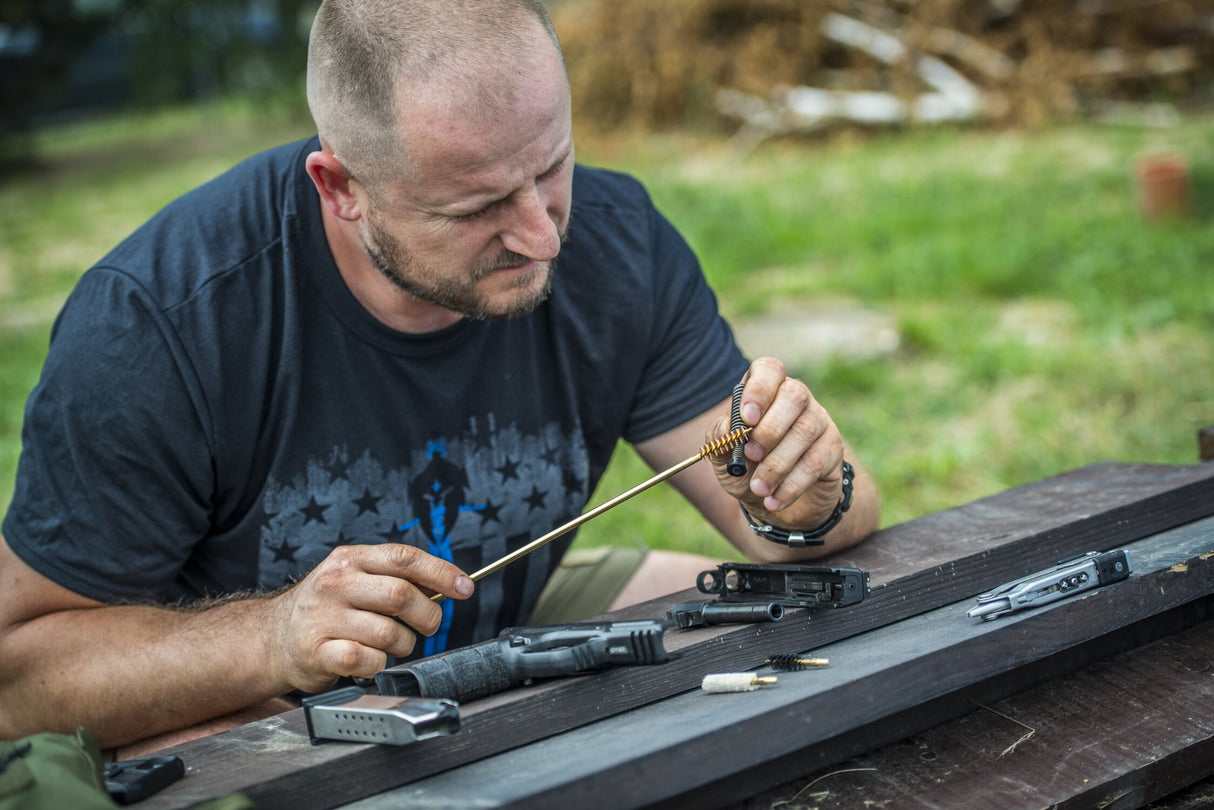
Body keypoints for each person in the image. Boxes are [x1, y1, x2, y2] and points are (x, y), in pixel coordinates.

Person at [0, 0, 879, 754]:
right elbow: (21, 679)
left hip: (511, 616)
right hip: (236, 682)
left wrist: (805, 499)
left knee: (796, 635)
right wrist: (271, 638)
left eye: (551, 167)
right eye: (477, 206)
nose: (541, 235)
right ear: (339, 186)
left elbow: (801, 527)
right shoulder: (161, 321)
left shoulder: (618, 243)